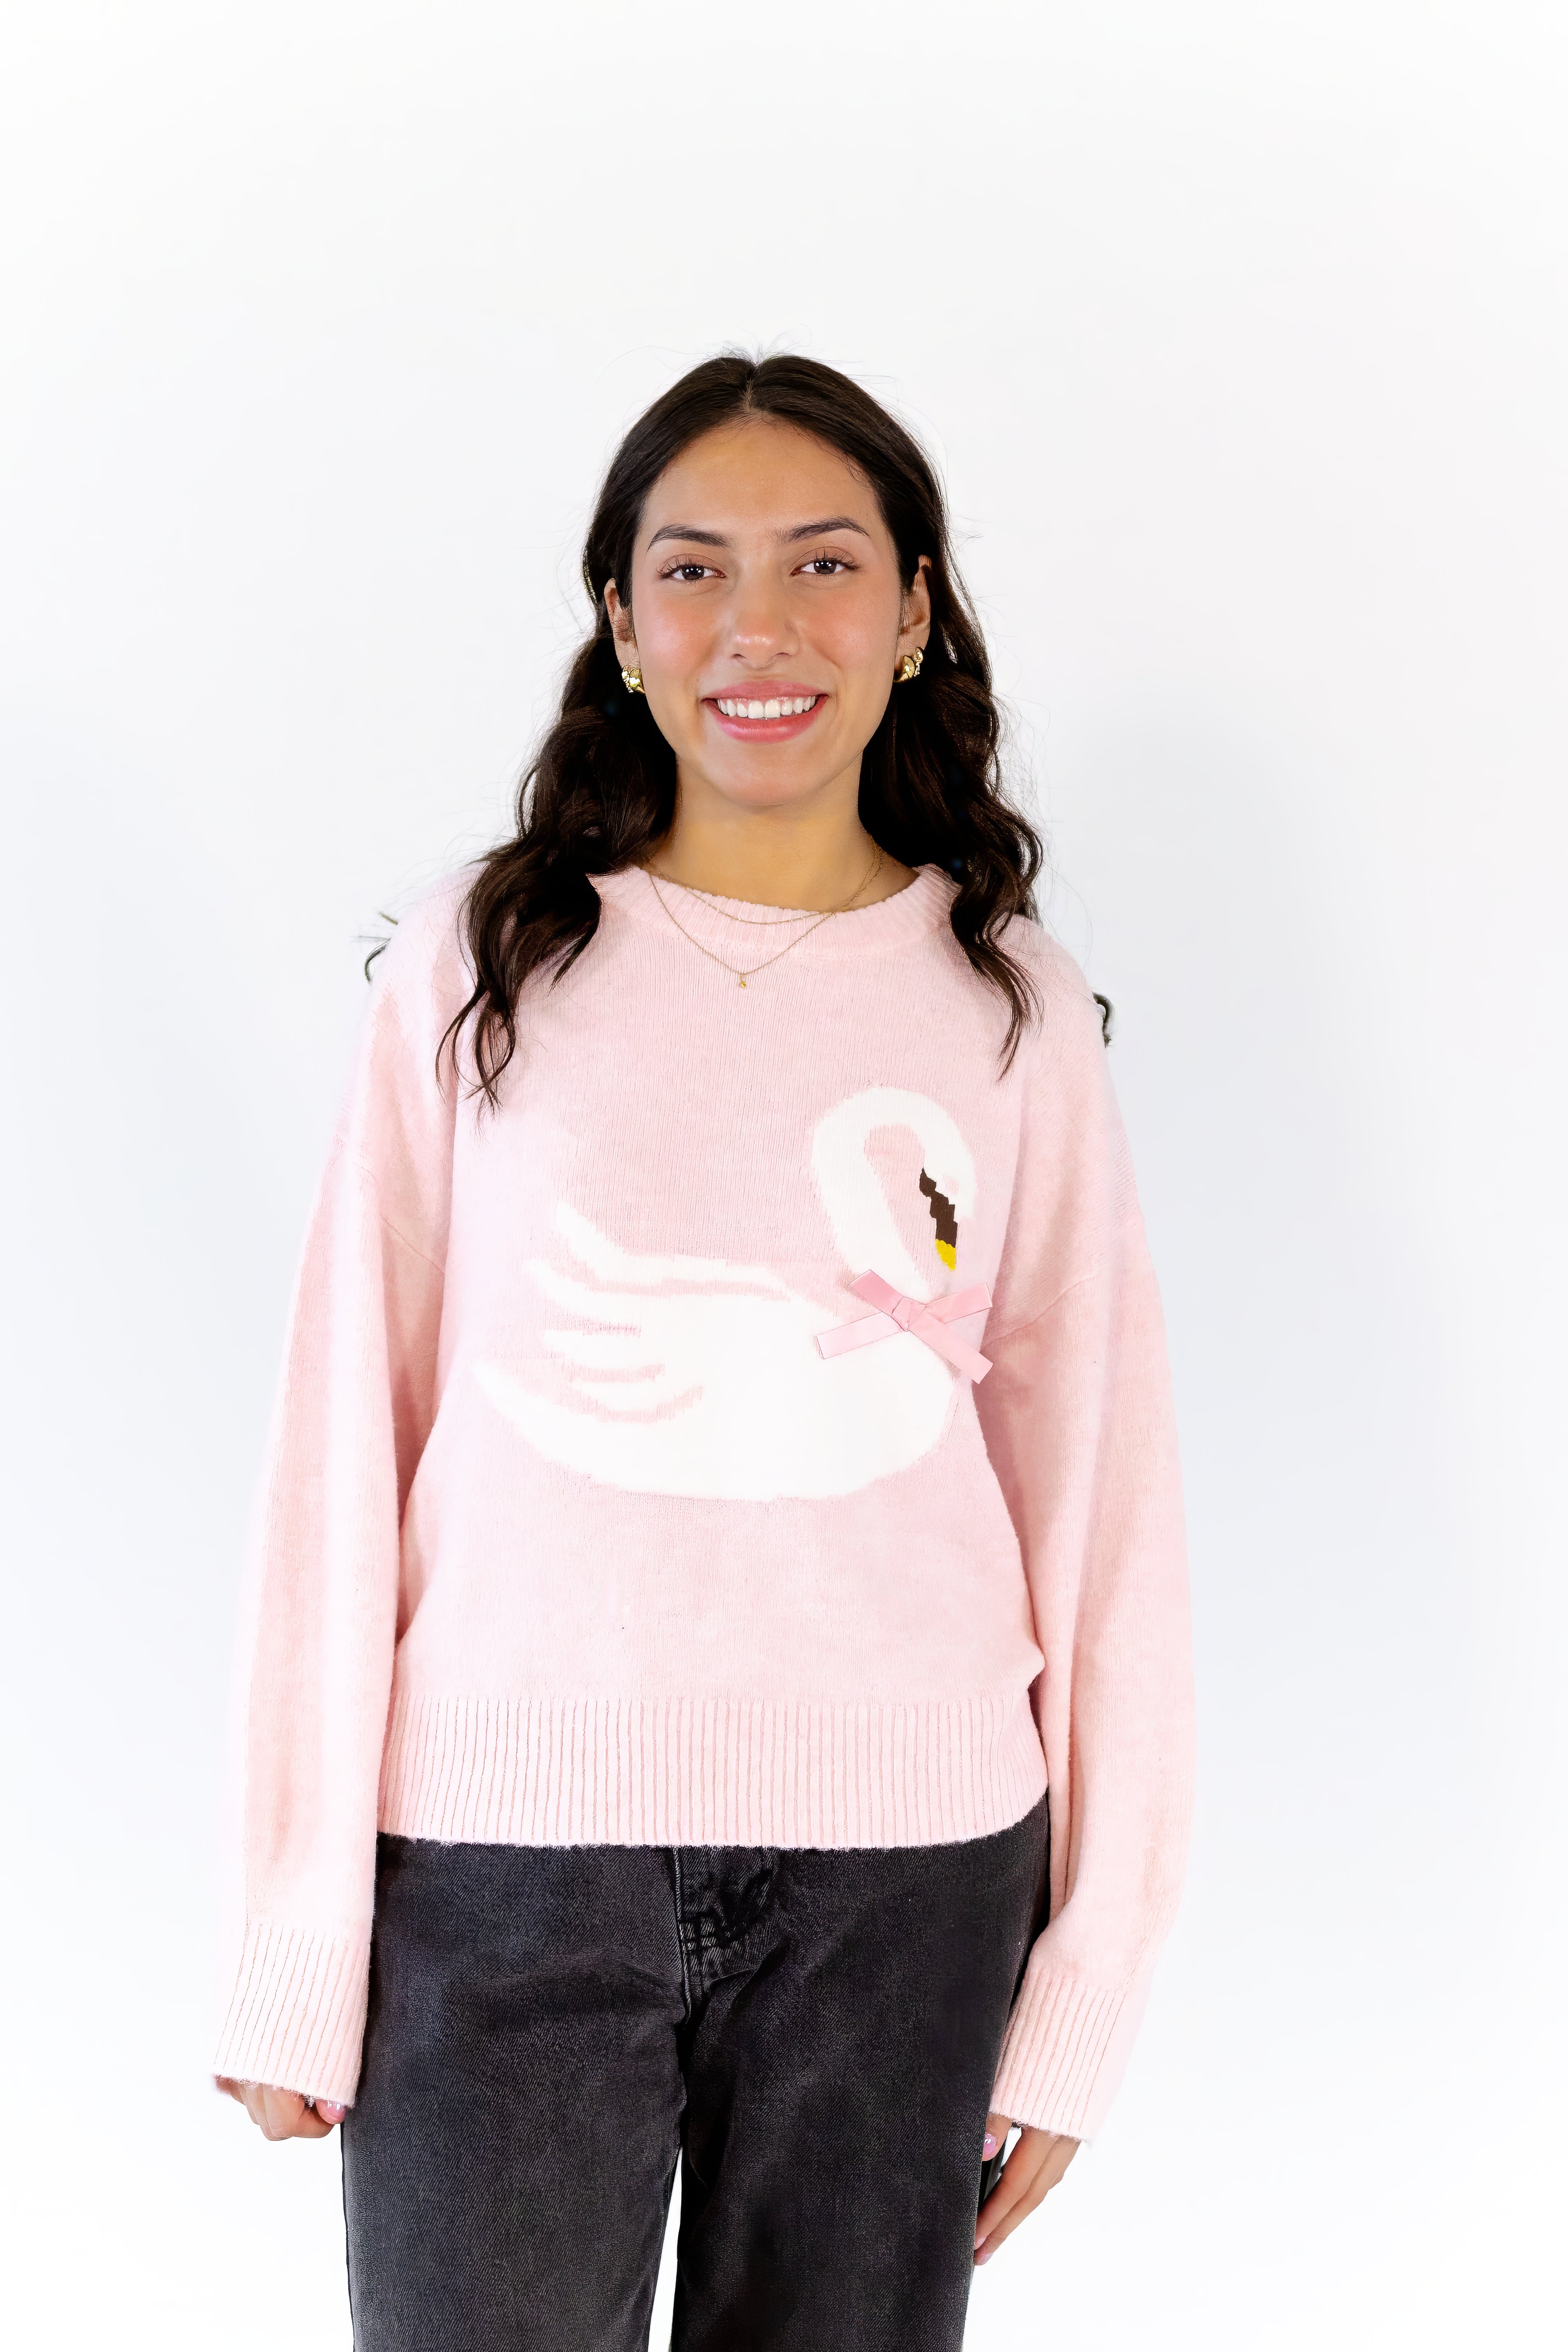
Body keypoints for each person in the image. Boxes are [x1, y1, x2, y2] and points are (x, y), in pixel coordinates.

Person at [211, 351, 1195, 2351]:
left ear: (912, 614)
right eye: (693, 570)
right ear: (621, 621)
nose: (759, 626)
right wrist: (297, 1936)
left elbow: (1099, 1505)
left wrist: (1085, 1981)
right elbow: (341, 1438)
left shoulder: (1007, 1008)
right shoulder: (482, 966)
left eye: (823, 564)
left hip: (907, 1885)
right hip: (499, 1868)